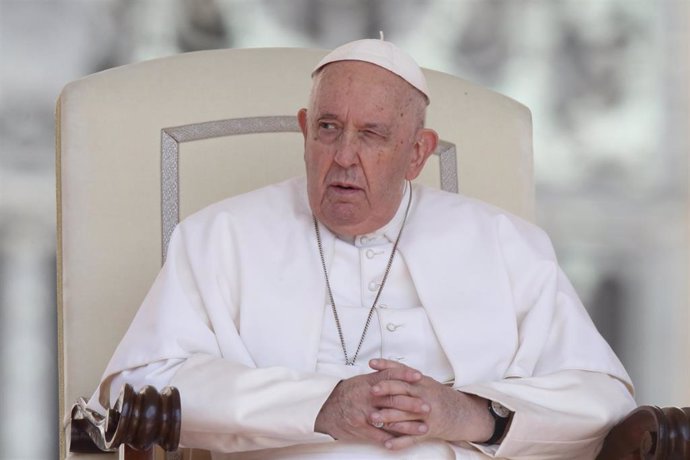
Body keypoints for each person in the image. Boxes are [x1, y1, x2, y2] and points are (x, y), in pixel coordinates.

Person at [90, 39, 636, 459]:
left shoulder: (506, 244)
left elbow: (603, 399)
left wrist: (472, 413)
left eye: (372, 134)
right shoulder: (219, 236)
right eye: (329, 128)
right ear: (305, 132)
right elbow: (136, 390)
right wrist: (318, 405)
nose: (344, 157)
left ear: (418, 152)